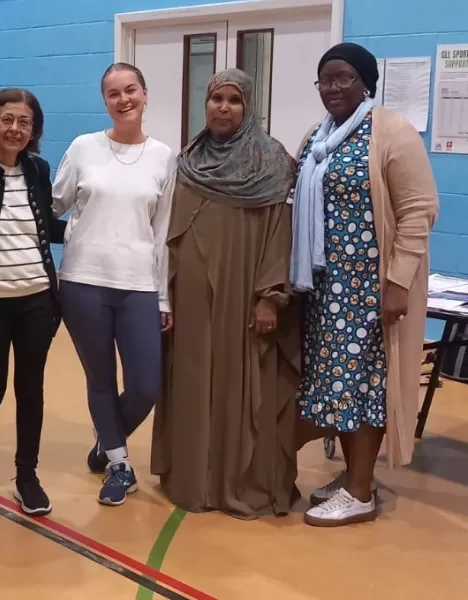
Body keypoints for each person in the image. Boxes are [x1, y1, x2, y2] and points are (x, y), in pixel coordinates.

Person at [291, 43, 439, 527]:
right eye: (325, 80)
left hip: (368, 289)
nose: (333, 88)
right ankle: (356, 475)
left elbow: (419, 210)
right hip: (325, 288)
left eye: (344, 78)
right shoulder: (319, 136)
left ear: (366, 83)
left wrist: (397, 283)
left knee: (365, 384)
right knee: (339, 385)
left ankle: (358, 493)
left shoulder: (391, 132)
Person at [150, 69, 301, 519]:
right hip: (191, 298)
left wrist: (268, 296)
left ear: (248, 106)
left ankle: (239, 481)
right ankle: (194, 478)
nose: (223, 107)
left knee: (241, 379)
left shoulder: (271, 162)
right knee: (193, 379)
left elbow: (280, 234)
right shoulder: (188, 161)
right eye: (216, 97)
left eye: (234, 100)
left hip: (245, 294)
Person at [52, 62, 174, 506]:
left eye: (130, 90)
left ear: (145, 94)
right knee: (100, 378)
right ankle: (121, 465)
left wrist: (163, 294)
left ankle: (107, 438)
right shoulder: (84, 148)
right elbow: (54, 204)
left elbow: (162, 232)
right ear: (104, 101)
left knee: (146, 385)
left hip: (139, 284)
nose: (123, 100)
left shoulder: (164, 157)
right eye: (113, 93)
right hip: (83, 280)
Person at [0, 88, 66, 516]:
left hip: (36, 299)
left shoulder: (39, 170)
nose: (15, 129)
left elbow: (47, 228)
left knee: (31, 390)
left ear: (34, 129)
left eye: (24, 122)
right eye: (7, 120)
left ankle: (26, 475)